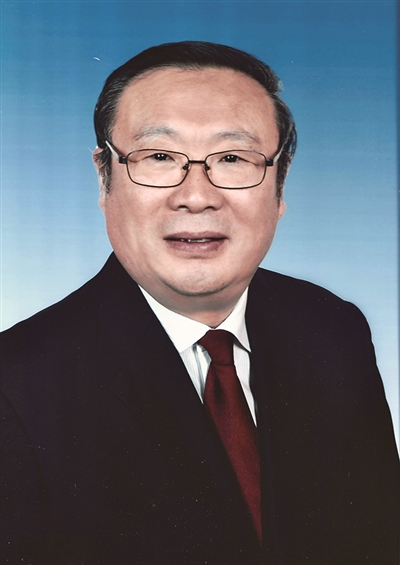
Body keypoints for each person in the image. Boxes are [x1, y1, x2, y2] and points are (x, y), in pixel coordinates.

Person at [1, 41, 399, 565]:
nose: (195, 196)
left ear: (280, 185)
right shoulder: (18, 384)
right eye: (159, 157)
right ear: (103, 178)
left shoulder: (332, 328)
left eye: (232, 158)